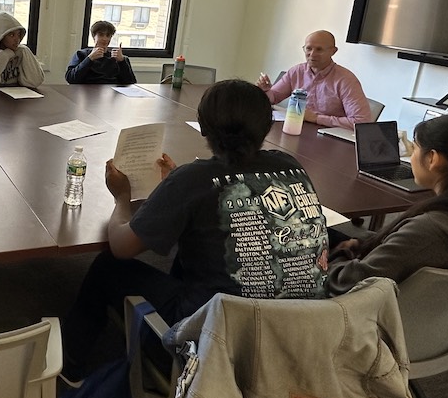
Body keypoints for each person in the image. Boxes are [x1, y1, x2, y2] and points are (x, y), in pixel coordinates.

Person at [61, 79, 329, 381]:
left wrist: (121, 197)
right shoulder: (291, 165)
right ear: (266, 127)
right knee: (200, 244)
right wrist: (177, 186)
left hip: (217, 342)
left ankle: (71, 366)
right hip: (298, 334)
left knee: (107, 266)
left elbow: (122, 246)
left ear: (202, 127)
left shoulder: (195, 179)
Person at [326, 113, 448, 294]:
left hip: (375, 313)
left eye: (414, 148)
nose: (412, 156)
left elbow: (348, 282)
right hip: (436, 308)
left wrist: (337, 255)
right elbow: (405, 250)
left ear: (433, 159)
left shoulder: (433, 231)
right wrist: (362, 243)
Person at [257, 30, 372, 129]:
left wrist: (316, 118)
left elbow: (362, 122)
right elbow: (274, 97)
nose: (312, 54)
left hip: (329, 139)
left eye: (319, 49)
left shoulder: (346, 80)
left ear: (333, 51)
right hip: (297, 129)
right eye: (308, 48)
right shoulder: (297, 71)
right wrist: (264, 91)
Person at [65, 19, 137, 85]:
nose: (105, 39)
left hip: (111, 94)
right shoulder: (81, 54)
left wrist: (122, 62)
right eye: (101, 35)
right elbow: (71, 79)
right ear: (94, 37)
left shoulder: (118, 58)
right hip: (88, 94)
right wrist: (90, 58)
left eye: (108, 35)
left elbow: (131, 83)